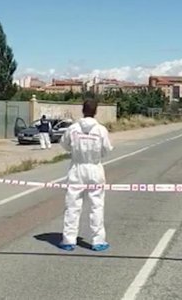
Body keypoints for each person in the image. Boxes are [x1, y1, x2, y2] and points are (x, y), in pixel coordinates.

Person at [58, 99, 114, 252]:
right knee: (96, 205)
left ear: (82, 110)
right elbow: (107, 149)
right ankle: (98, 240)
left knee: (72, 205)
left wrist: (75, 151)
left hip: (77, 168)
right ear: (95, 111)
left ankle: (69, 240)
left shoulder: (73, 128)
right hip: (95, 168)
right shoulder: (101, 130)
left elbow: (64, 144)